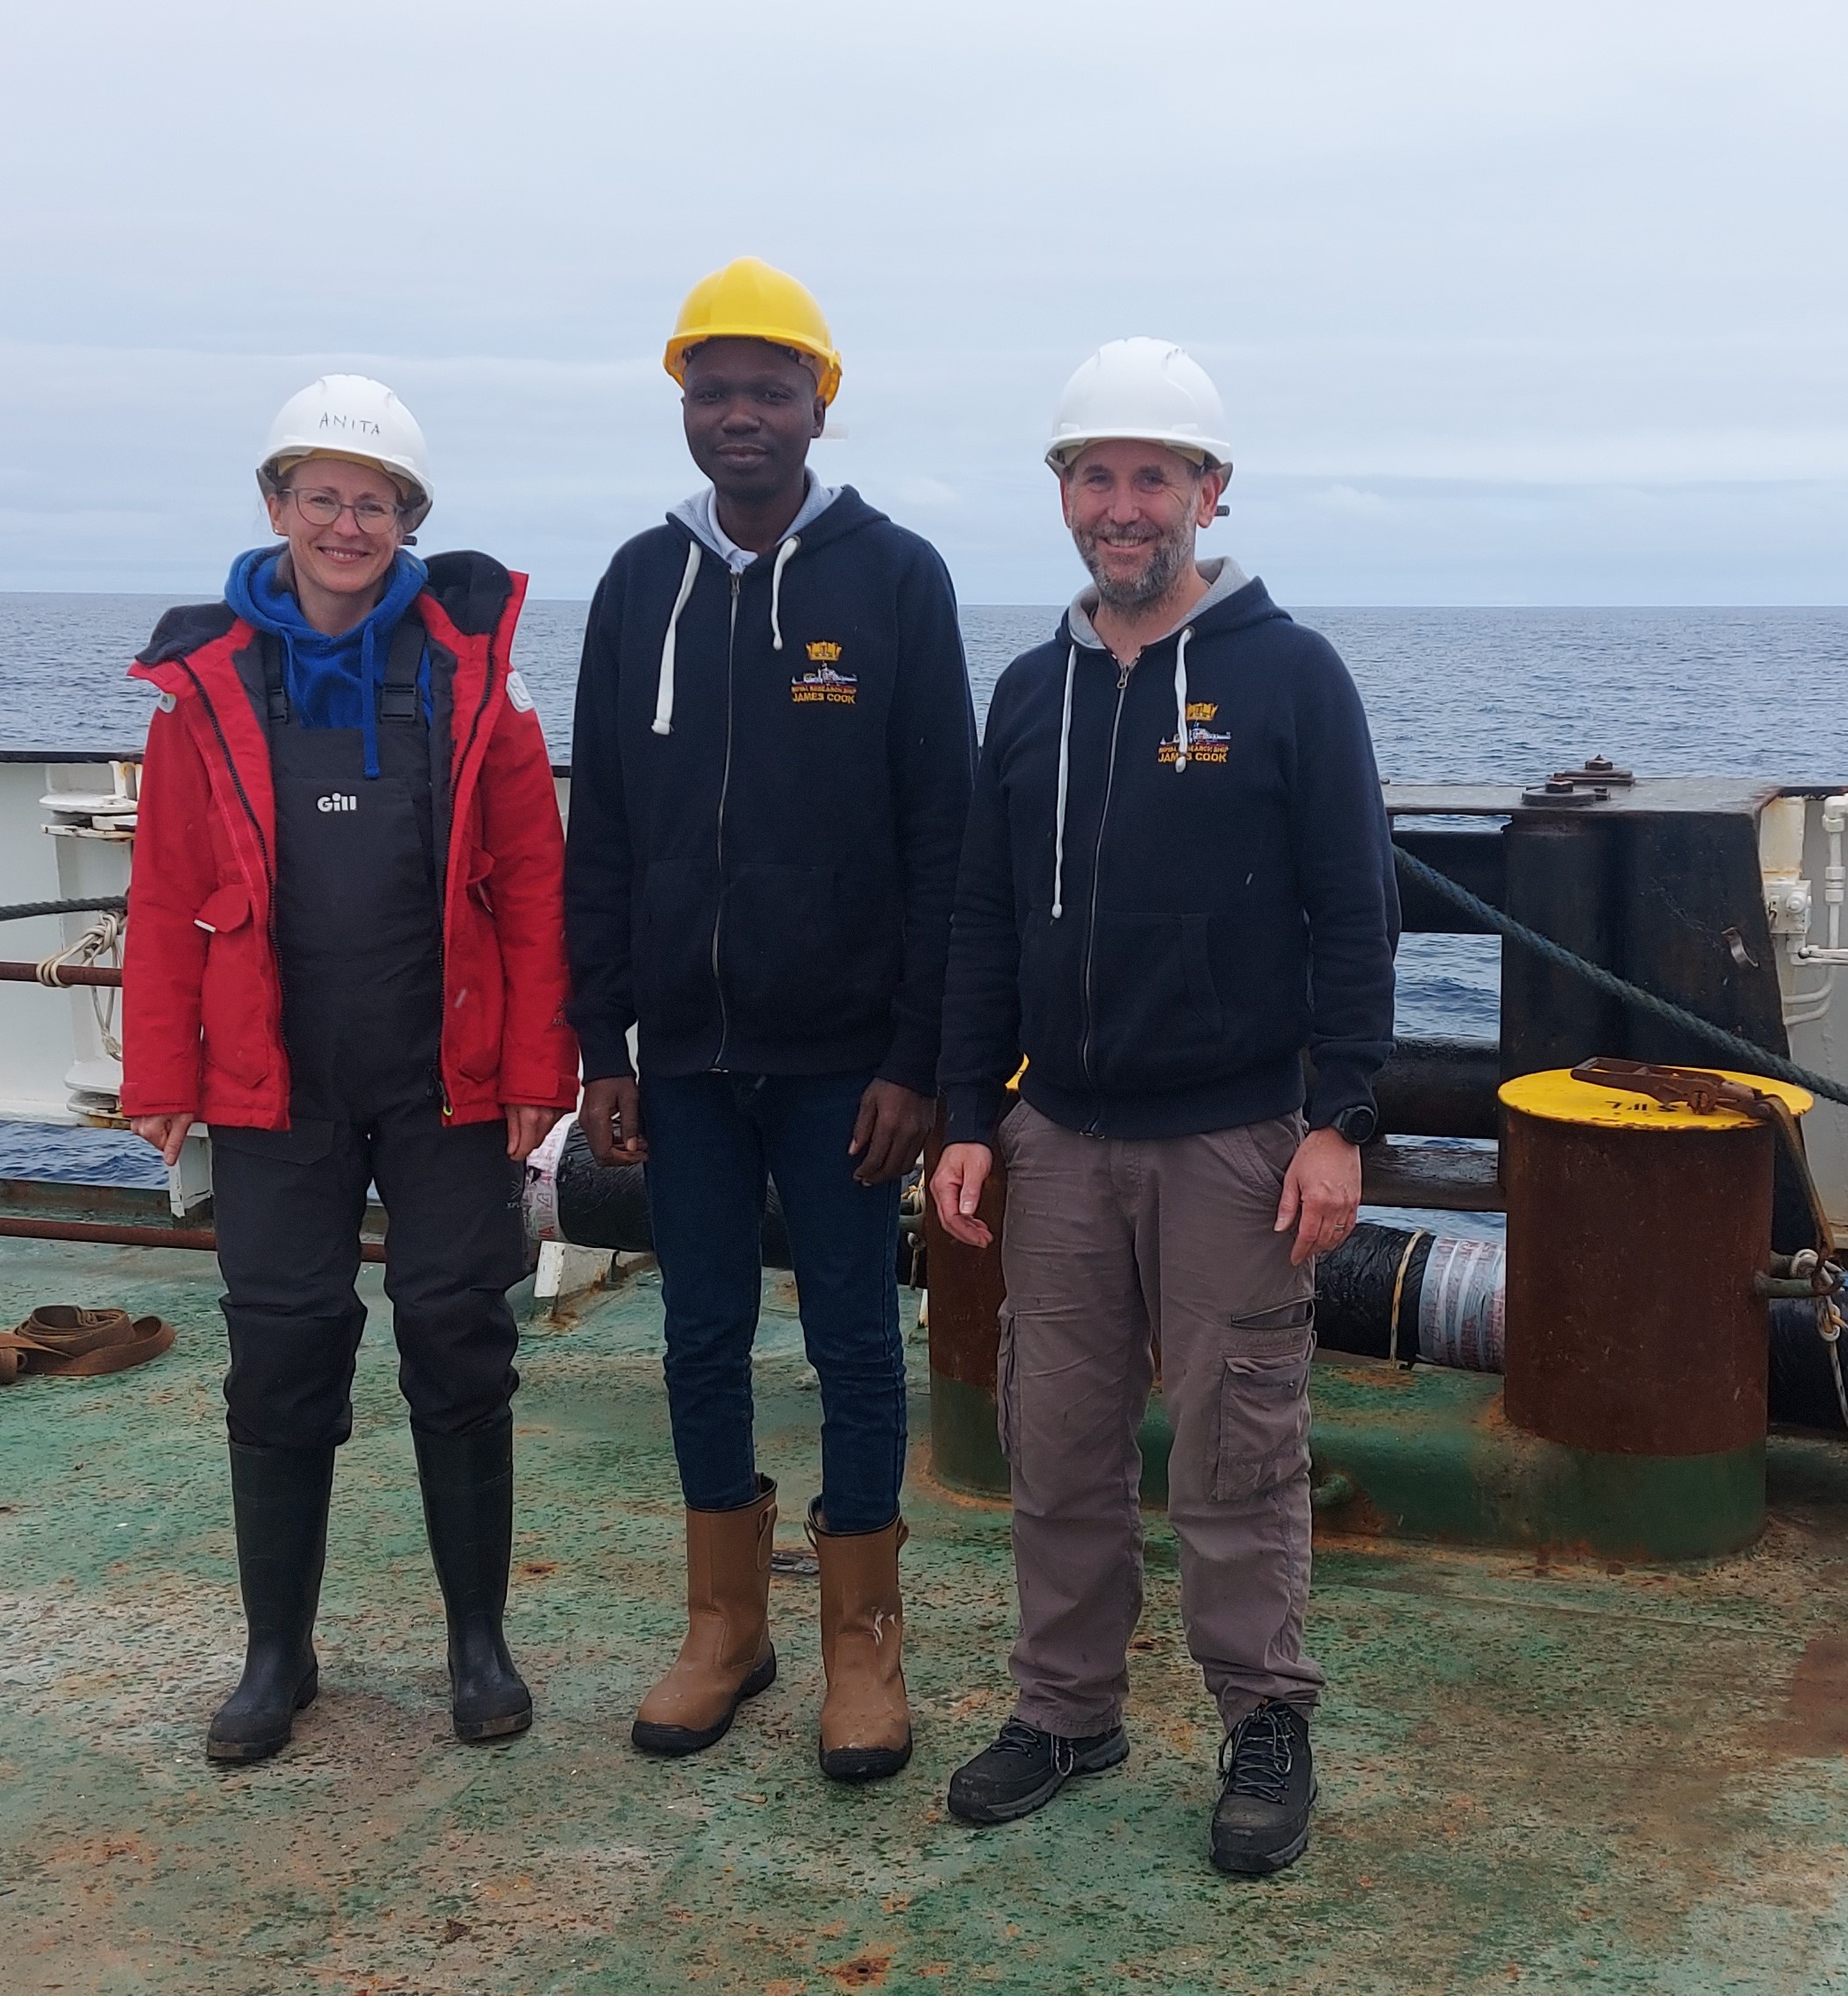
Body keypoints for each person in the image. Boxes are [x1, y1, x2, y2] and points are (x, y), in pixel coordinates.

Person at [929, 339, 1398, 1871]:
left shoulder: (1291, 676)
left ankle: (1263, 1712)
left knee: (1235, 1447)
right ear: (1062, 493)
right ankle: (1067, 1708)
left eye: (1152, 476)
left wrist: (1342, 1119)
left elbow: (1356, 907)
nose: (1122, 506)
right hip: (1056, 1134)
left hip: (1237, 1138)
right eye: (1094, 475)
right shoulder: (1027, 691)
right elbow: (984, 920)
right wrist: (962, 1114)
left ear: (1209, 491)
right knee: (1054, 1440)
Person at [121, 375, 576, 1763]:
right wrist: (160, 1071)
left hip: (442, 1076)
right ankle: (278, 1653)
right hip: (273, 1083)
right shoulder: (203, 697)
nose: (346, 520)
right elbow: (164, 896)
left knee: (457, 1333)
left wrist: (536, 1066)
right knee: (282, 1343)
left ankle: (475, 1643)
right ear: (276, 507)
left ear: (410, 522)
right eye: (320, 495)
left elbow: (534, 887)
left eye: (374, 501)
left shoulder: (473, 688)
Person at [564, 258, 976, 1781]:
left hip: (842, 1068)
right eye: (712, 389)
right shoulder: (635, 584)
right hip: (680, 1062)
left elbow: (947, 836)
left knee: (861, 1345)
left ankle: (864, 1638)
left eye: (769, 388)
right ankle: (724, 1625)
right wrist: (600, 1040)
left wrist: (916, 1059)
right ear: (686, 405)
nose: (740, 415)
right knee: (700, 1335)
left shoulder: (896, 580)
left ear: (821, 405)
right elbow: (596, 826)